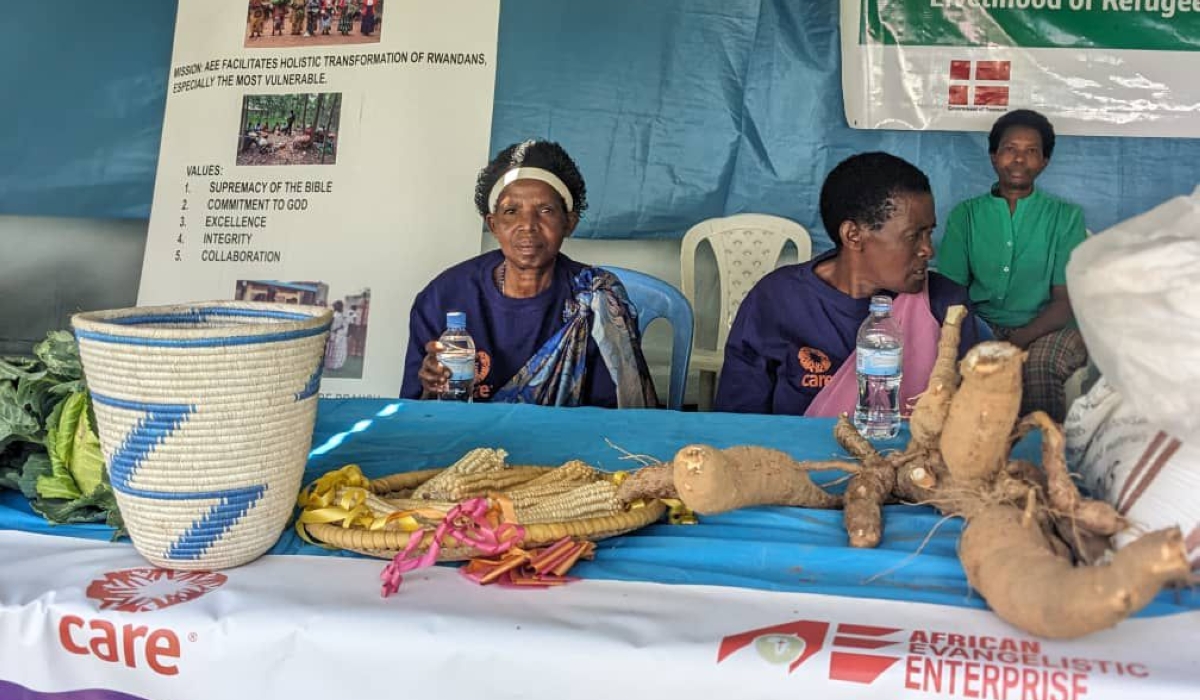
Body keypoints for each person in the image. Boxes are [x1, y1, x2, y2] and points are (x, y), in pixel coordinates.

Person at [714, 152, 980, 416]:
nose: (928, 250)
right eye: (913, 236)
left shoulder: (946, 305)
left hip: (909, 458)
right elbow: (739, 422)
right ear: (853, 235)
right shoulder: (777, 301)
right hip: (793, 458)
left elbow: (970, 421)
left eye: (929, 233)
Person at [401, 139, 658, 408]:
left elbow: (617, 415)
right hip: (464, 444)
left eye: (545, 210)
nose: (528, 225)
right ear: (494, 224)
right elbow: (416, 414)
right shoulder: (443, 298)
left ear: (569, 223)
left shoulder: (597, 299)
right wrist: (432, 389)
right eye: (511, 211)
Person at [937, 109, 1088, 422]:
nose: (1019, 160)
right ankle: (973, 462)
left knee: (1039, 368)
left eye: (1031, 151)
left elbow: (1065, 302)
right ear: (993, 156)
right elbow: (951, 293)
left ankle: (1042, 458)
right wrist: (979, 337)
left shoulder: (1065, 217)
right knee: (966, 369)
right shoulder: (965, 216)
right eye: (1010, 149)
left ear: (1044, 161)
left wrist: (1016, 340)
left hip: (1050, 328)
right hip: (982, 325)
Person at [325, 300, 349, 370]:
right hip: (336, 334)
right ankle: (333, 365)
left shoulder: (336, 315)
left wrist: (334, 330)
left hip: (335, 335)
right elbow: (341, 326)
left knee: (333, 350)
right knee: (334, 350)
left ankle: (332, 365)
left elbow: (332, 326)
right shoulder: (338, 315)